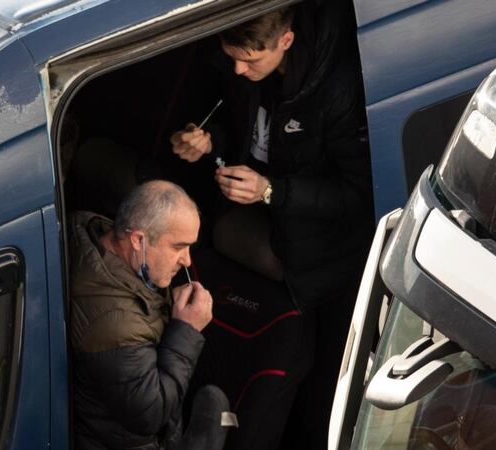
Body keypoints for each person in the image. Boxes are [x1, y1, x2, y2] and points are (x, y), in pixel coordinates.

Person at [171, 3, 374, 447]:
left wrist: (271, 192)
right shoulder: (245, 71)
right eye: (232, 58)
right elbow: (241, 132)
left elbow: (358, 195)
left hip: (325, 258)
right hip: (258, 229)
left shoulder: (334, 90)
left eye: (249, 60)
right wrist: (209, 143)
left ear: (286, 39)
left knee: (321, 395)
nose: (238, 70)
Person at [69, 180, 229, 450]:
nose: (188, 260)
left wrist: (166, 303)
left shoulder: (89, 230)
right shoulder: (116, 325)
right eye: (178, 247)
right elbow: (150, 415)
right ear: (138, 240)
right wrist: (186, 330)